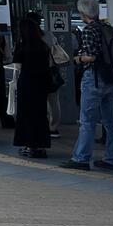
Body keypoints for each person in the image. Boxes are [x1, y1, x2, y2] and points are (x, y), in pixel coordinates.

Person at [61, 0, 113, 172]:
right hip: (112, 79)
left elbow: (92, 56)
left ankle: (81, 158)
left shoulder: (89, 30)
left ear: (83, 13)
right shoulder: (108, 28)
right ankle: (111, 158)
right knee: (111, 121)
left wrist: (78, 58)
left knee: (87, 121)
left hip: (94, 78)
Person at [12, 16, 54, 159]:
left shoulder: (22, 46)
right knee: (41, 115)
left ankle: (29, 146)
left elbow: (17, 66)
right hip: (42, 83)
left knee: (26, 114)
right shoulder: (43, 46)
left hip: (27, 82)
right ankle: (41, 146)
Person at [27, 10, 69, 138]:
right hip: (49, 72)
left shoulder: (26, 37)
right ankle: (53, 127)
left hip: (33, 74)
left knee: (37, 102)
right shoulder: (49, 35)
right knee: (53, 102)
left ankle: (40, 127)